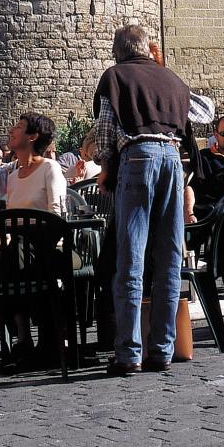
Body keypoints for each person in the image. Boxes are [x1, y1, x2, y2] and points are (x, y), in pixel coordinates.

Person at [90, 22, 196, 374]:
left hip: (138, 155)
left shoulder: (116, 77)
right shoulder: (174, 80)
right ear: (148, 48)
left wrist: (105, 165)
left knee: (131, 257)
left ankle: (128, 352)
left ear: (118, 51)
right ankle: (162, 350)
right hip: (173, 160)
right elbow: (196, 121)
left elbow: (106, 126)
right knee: (168, 259)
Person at [0, 111, 70, 216]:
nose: (11, 131)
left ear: (32, 137)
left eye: (18, 127)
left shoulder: (49, 168)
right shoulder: (12, 177)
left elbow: (57, 215)